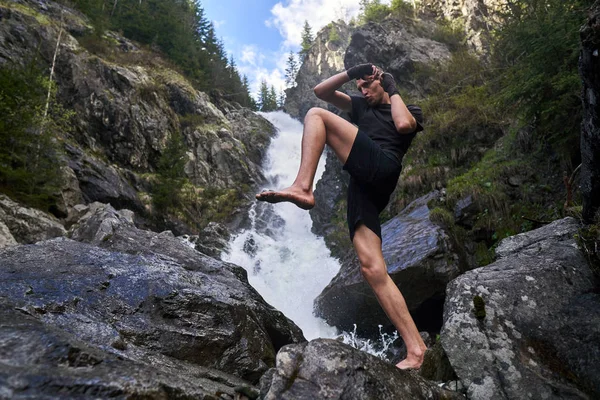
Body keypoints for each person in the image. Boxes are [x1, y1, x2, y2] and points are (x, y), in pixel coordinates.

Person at [255, 63, 427, 370]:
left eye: (367, 85)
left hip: (383, 165)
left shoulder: (408, 109)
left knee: (316, 116)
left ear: (382, 82)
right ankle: (416, 350)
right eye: (358, 87)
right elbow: (321, 92)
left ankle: (303, 186)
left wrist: (392, 86)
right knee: (372, 269)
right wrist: (351, 73)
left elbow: (403, 126)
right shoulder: (360, 105)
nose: (361, 91)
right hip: (363, 188)